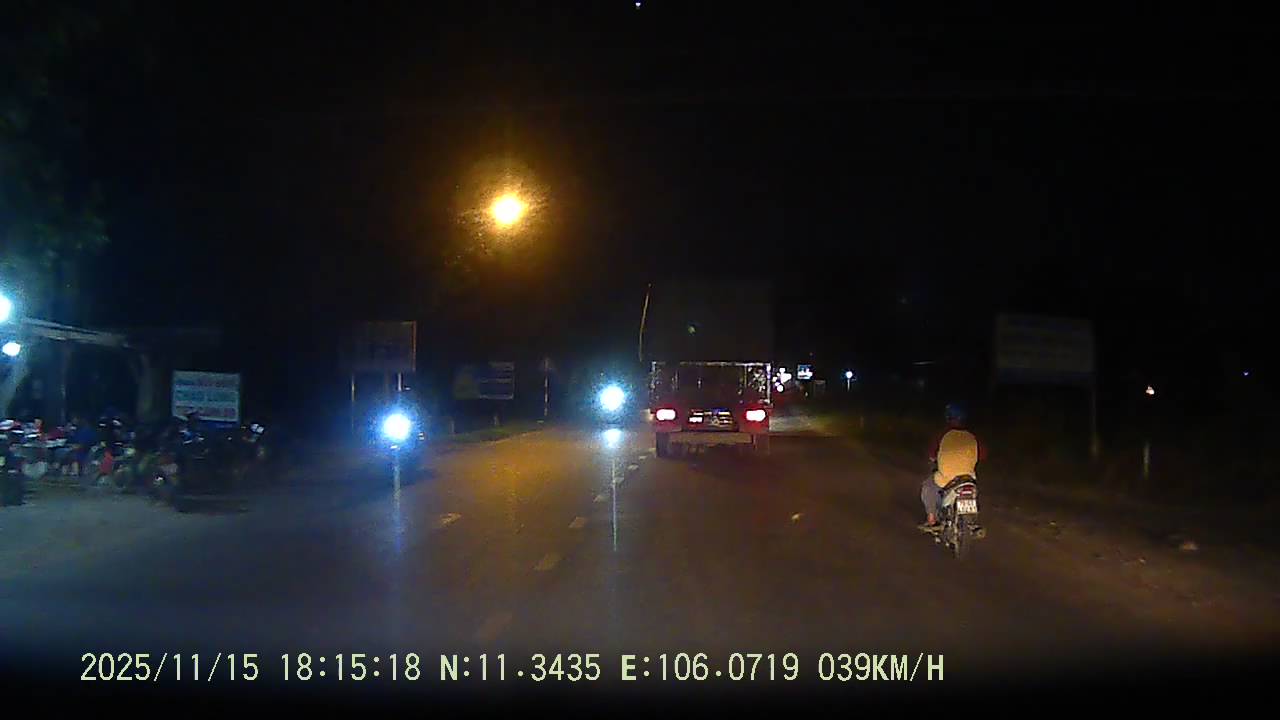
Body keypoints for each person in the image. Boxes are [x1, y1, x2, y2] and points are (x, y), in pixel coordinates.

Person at [919, 403, 986, 529]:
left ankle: (932, 519)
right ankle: (971, 521)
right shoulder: (972, 436)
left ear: (948, 417)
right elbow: (982, 455)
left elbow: (932, 454)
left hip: (947, 478)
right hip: (968, 478)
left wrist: (935, 459)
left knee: (928, 487)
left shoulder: (943, 435)